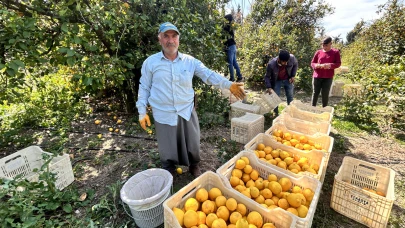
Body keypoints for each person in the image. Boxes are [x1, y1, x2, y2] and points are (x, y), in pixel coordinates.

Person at [136, 22, 246, 177]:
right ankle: (169, 169)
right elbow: (144, 87)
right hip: (163, 112)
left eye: (174, 36)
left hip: (186, 110)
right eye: (166, 36)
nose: (170, 40)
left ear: (178, 39)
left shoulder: (190, 61)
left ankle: (194, 165)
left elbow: (208, 74)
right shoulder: (150, 63)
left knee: (192, 142)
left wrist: (228, 84)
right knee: (167, 145)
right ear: (159, 39)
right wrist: (142, 111)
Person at [264, 50, 298, 115]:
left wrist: (293, 76)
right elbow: (267, 77)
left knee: (290, 95)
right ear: (279, 59)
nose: (285, 63)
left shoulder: (292, 58)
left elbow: (295, 65)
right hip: (277, 80)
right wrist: (269, 87)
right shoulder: (271, 64)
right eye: (283, 62)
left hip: (288, 79)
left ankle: (290, 113)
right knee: (275, 97)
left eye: (286, 62)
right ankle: (275, 113)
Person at [310, 36, 341, 107]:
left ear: (331, 44)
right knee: (315, 93)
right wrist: (316, 65)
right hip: (317, 76)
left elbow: (338, 63)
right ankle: (312, 108)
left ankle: (325, 109)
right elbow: (312, 63)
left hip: (328, 77)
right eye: (323, 45)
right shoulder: (318, 52)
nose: (324, 47)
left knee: (325, 94)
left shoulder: (335, 52)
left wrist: (330, 65)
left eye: (326, 45)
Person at [223, 14, 243, 82]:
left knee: (230, 63)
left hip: (230, 47)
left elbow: (224, 38)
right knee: (234, 62)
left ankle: (232, 78)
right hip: (233, 46)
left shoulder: (226, 27)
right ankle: (239, 76)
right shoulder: (231, 27)